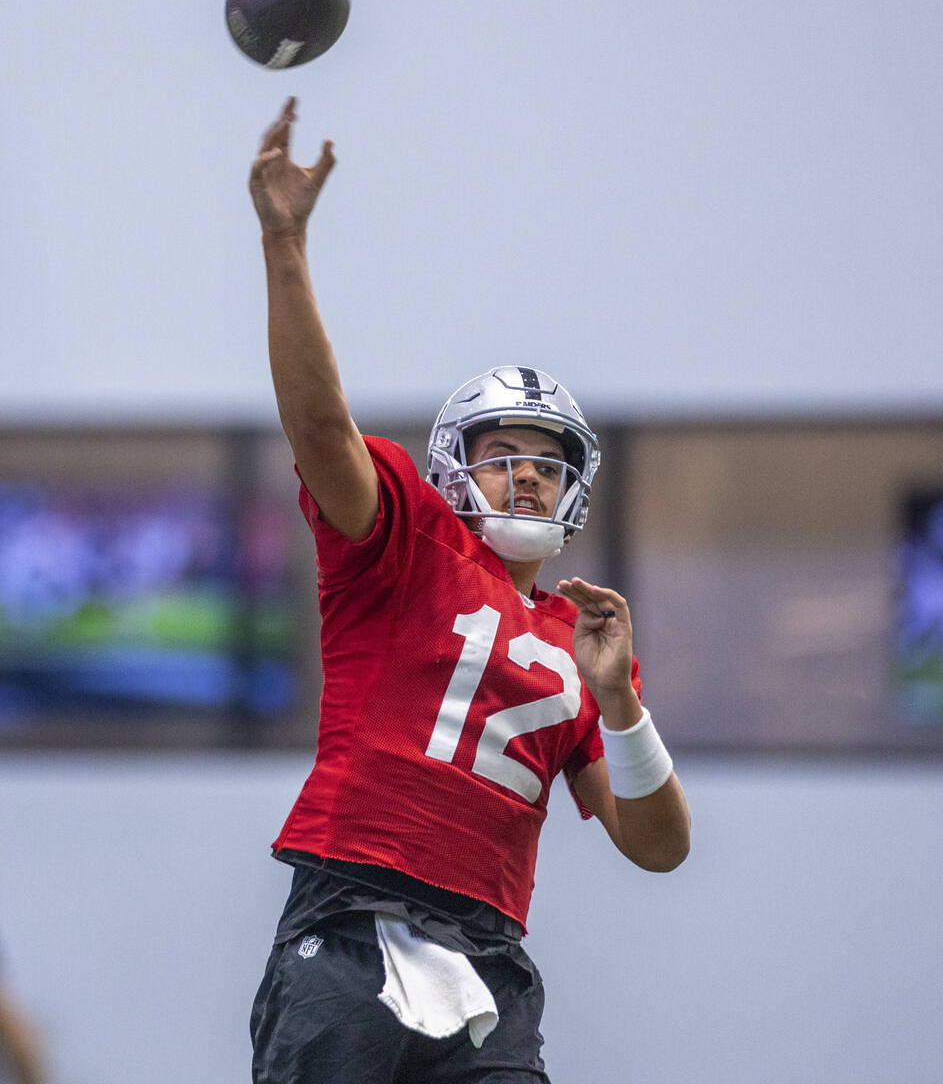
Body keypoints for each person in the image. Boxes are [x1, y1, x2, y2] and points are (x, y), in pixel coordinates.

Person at [248, 97, 691, 1084]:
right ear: (458, 470)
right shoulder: (404, 540)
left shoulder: (579, 648)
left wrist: (619, 706)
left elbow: (658, 850)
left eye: (546, 461)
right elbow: (321, 433)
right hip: (351, 920)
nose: (528, 475)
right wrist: (285, 243)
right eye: (504, 456)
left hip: (487, 962)